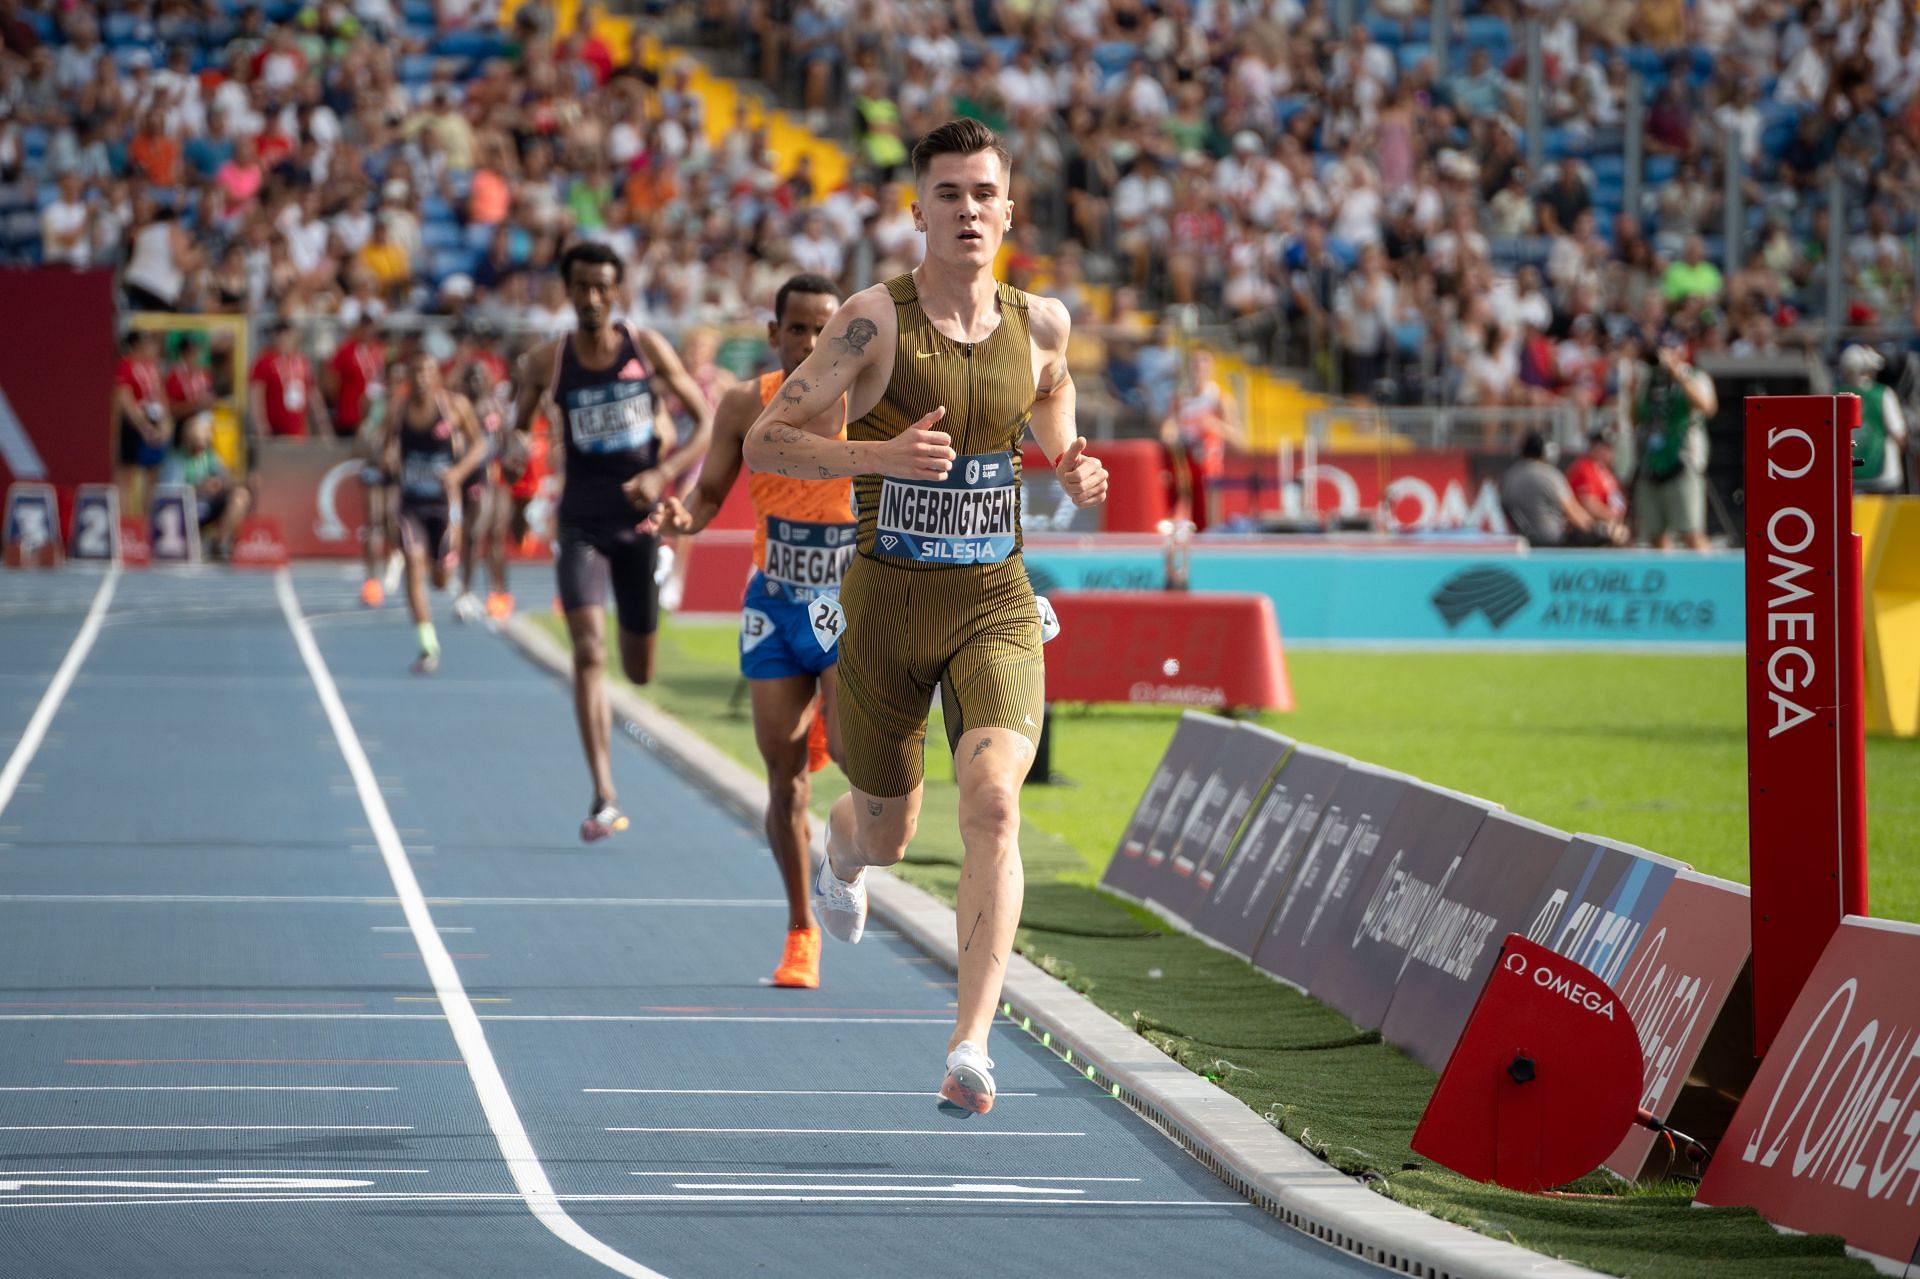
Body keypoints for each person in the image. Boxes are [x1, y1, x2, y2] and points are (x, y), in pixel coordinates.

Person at [740, 120, 1109, 1113]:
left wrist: (1070, 459)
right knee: (889, 834)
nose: (968, 210)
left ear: (1008, 210)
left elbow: (1057, 397)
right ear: (919, 212)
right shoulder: (873, 322)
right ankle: (842, 847)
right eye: (948, 194)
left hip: (993, 599)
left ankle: (971, 1042)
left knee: (992, 799)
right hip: (889, 602)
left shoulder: (1042, 324)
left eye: (984, 193)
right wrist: (879, 458)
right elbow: (768, 444)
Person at [659, 273, 849, 991]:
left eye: (823, 330)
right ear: (774, 334)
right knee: (785, 782)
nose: (808, 343)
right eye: (796, 328)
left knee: (860, 753)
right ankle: (802, 929)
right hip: (773, 601)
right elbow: (709, 492)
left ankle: (849, 857)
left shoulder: (866, 403)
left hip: (842, 603)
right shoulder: (745, 403)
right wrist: (685, 518)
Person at [508, 241, 714, 842]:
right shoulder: (548, 360)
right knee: (588, 653)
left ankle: (654, 576)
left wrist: (660, 472)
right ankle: (603, 791)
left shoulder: (645, 348)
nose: (593, 298)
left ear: (617, 291)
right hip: (581, 522)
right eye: (582, 287)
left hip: (641, 525)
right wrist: (517, 451)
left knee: (639, 670)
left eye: (604, 287)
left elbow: (705, 423)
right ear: (567, 292)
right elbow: (518, 433)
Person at [387, 348, 486, 674]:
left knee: (441, 579)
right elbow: (383, 445)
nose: (420, 379)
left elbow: (480, 444)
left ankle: (445, 564)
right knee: (413, 564)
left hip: (444, 506)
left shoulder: (454, 406)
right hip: (411, 504)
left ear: (436, 376)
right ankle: (428, 644)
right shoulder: (398, 410)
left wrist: (458, 473)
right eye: (415, 372)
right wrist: (385, 458)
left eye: (427, 372)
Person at [1622, 332, 1716, 549]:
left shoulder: (1695, 376)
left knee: (1691, 532)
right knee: (1655, 534)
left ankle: (1706, 578)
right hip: (1650, 464)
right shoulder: (1648, 382)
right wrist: (1633, 390)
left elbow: (1707, 407)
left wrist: (1678, 374)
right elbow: (1634, 419)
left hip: (1683, 462)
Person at [1158, 347, 1239, 532]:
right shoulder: (1180, 398)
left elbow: (1238, 439)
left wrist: (1215, 425)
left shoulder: (1219, 398)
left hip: (1208, 468)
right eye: (1194, 363)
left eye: (1204, 362)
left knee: (1208, 520)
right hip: (1183, 465)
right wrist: (1169, 432)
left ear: (1211, 367)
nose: (1198, 367)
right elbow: (1168, 425)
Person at [1499, 430, 1614, 547]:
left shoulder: (1509, 476)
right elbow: (1578, 517)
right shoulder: (1550, 474)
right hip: (1554, 542)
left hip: (1524, 543)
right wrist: (1605, 531)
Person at [160, 413, 251, 557]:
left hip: (208, 507)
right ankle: (192, 542)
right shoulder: (176, 460)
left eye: (203, 443)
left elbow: (228, 478)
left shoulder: (209, 457)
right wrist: (198, 488)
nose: (200, 449)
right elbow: (170, 495)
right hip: (187, 512)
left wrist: (225, 483)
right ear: (187, 440)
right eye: (196, 443)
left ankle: (218, 542)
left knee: (240, 495)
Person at [113, 329, 173, 517]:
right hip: (134, 426)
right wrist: (143, 427)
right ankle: (126, 522)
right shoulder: (125, 366)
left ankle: (147, 521)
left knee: (153, 475)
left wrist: (165, 425)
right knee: (126, 477)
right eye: (148, 344)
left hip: (153, 422)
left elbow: (161, 397)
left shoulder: (152, 367)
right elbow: (125, 400)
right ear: (137, 345)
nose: (152, 348)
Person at [1840, 345, 1908, 494]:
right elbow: (1899, 435)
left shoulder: (1835, 396)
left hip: (1848, 479)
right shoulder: (1883, 394)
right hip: (1886, 477)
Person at [250, 320, 330, 439]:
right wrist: (261, 426)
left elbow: (313, 394)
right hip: (275, 429)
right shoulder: (265, 362)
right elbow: (256, 394)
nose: (284, 340)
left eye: (287, 335)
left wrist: (323, 425)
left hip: (298, 428)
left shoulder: (302, 362)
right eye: (280, 336)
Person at [1564, 430, 1631, 543]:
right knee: (1617, 534)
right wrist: (1611, 517)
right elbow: (1588, 504)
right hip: (1589, 525)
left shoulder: (1607, 472)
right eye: (1604, 447)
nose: (1610, 451)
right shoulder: (1584, 468)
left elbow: (1617, 500)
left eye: (1610, 447)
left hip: (1612, 524)